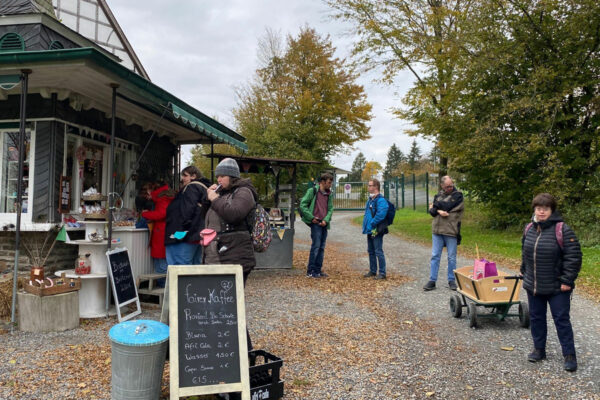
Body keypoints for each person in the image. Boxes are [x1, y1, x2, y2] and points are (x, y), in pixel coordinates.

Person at [521, 193, 582, 372]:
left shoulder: (562, 229)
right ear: (534, 209)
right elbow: (526, 251)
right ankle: (539, 350)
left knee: (561, 320)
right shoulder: (529, 228)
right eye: (539, 208)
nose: (541, 212)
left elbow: (574, 257)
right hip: (534, 285)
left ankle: (569, 355)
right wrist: (523, 269)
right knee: (536, 318)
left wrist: (567, 280)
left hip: (557, 287)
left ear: (551, 210)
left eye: (545, 209)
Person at [204, 158, 258, 354]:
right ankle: (228, 349)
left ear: (232, 176)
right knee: (221, 306)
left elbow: (234, 214)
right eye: (217, 175)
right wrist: (208, 196)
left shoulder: (244, 192)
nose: (219, 178)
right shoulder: (223, 193)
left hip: (236, 256)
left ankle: (245, 352)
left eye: (222, 175)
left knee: (230, 306)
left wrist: (214, 200)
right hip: (219, 255)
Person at [423, 175, 464, 291]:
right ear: (442, 186)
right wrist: (438, 210)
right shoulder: (438, 195)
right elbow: (431, 212)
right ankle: (432, 280)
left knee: (451, 257)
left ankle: (451, 280)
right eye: (447, 187)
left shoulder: (458, 195)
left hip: (451, 230)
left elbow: (447, 205)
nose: (450, 188)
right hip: (437, 230)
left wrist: (435, 207)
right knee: (435, 256)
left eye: (451, 185)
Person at [164, 166, 210, 265]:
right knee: (194, 267)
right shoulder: (204, 189)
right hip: (197, 235)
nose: (182, 179)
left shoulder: (191, 187)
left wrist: (178, 234)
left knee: (180, 268)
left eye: (185, 175)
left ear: (194, 176)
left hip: (185, 236)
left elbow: (186, 213)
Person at [299, 172, 334, 278]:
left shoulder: (329, 194)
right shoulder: (312, 191)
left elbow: (330, 209)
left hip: (324, 224)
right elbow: (303, 205)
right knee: (316, 246)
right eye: (329, 182)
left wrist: (326, 220)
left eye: (331, 182)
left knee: (321, 247)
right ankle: (310, 271)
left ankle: (318, 271)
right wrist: (311, 218)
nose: (330, 184)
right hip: (316, 223)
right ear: (323, 182)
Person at [141, 181, 175, 287]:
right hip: (168, 232)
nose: (147, 197)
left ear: (152, 190)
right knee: (165, 262)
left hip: (162, 234)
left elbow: (162, 214)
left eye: (147, 193)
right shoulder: (167, 196)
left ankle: (165, 292)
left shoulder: (162, 199)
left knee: (161, 265)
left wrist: (145, 214)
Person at [362, 179, 388, 279]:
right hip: (370, 229)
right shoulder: (371, 199)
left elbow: (381, 214)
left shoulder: (381, 200)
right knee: (371, 250)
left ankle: (382, 272)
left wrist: (372, 223)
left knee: (378, 250)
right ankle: (373, 271)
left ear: (376, 187)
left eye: (370, 185)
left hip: (375, 229)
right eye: (368, 185)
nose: (369, 187)